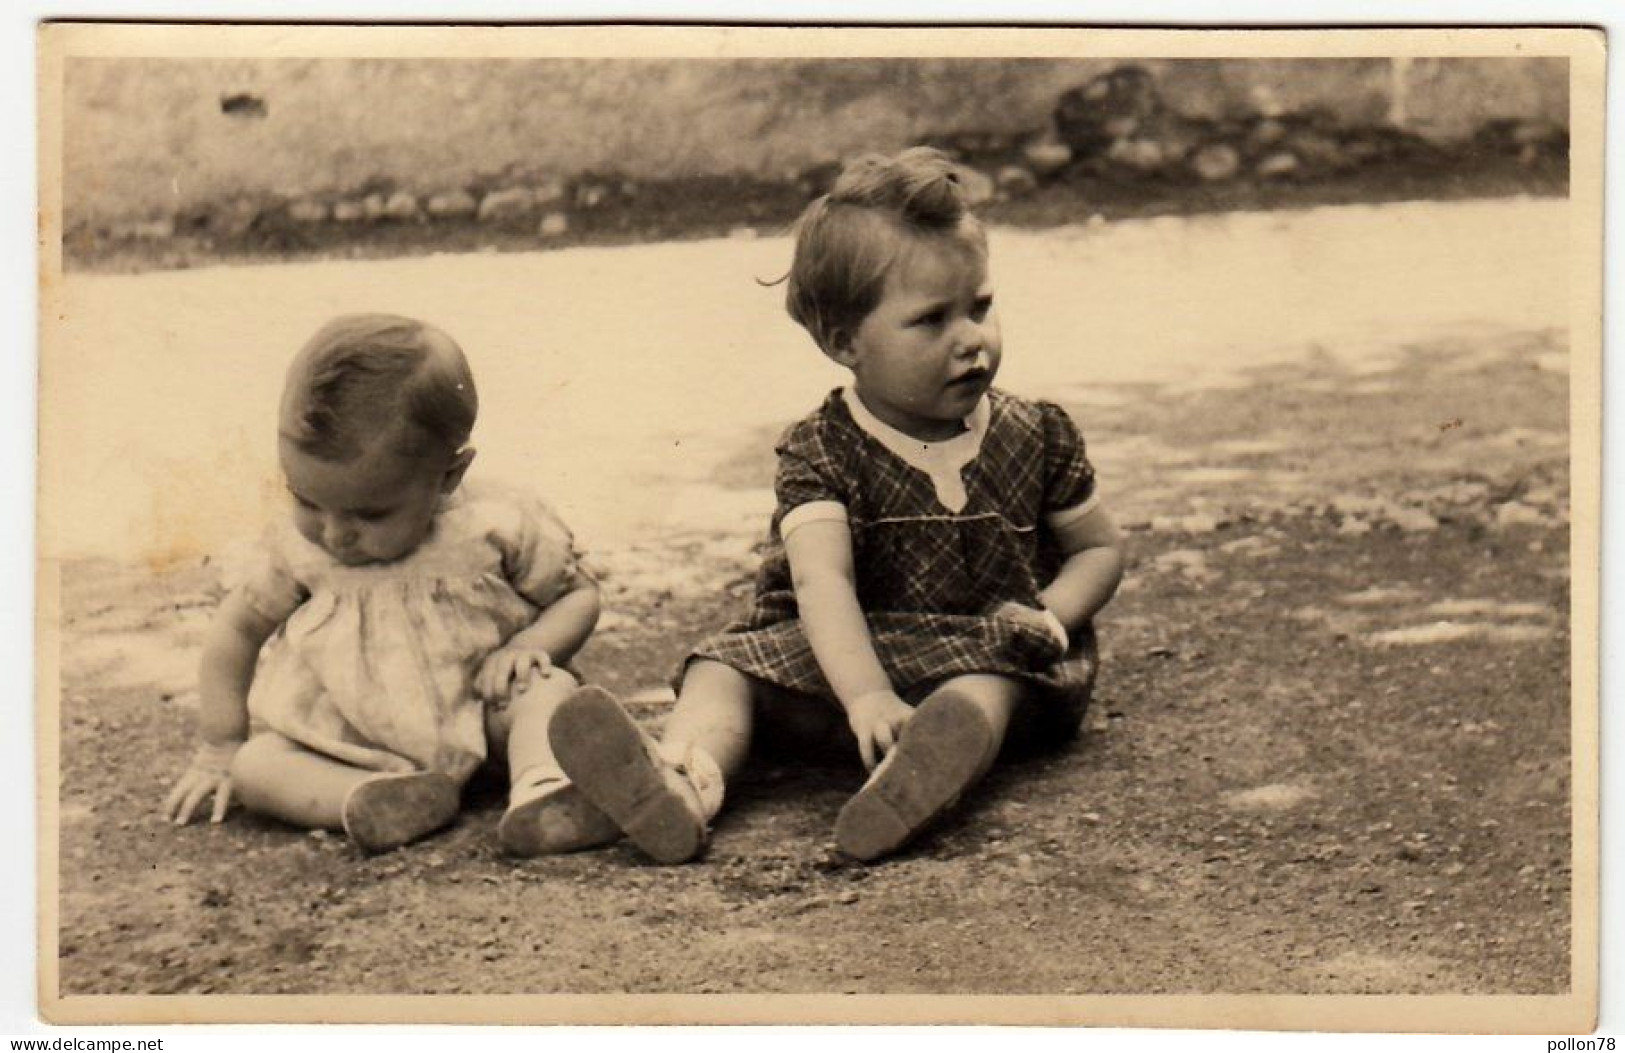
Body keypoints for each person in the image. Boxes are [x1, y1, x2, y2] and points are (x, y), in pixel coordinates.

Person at [550, 147, 1125, 864]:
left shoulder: (1033, 432)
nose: (970, 339)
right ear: (843, 341)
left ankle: (919, 776)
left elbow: (1099, 548)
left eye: (978, 306)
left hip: (982, 644)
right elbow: (823, 583)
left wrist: (1051, 616)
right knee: (720, 670)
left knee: (985, 690)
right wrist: (865, 697)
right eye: (931, 320)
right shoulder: (821, 452)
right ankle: (683, 779)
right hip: (837, 656)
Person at [162, 313, 612, 855]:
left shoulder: (496, 521)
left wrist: (529, 648)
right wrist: (220, 746)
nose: (334, 533)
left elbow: (578, 594)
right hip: (347, 739)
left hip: (483, 716)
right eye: (305, 499)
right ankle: (375, 798)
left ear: (449, 476)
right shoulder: (293, 547)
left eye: (369, 514)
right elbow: (236, 632)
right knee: (256, 767)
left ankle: (544, 786)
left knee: (548, 694)